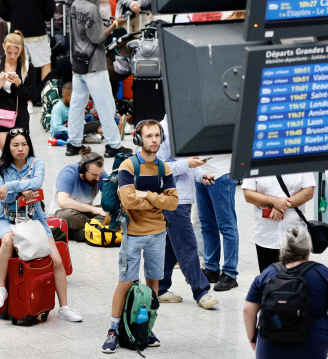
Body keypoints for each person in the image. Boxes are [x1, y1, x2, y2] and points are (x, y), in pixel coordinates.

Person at [0, 128, 83, 322]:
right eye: (15, 145)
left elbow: (36, 183)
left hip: (34, 218)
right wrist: (22, 190)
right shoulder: (0, 168)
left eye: (24, 144)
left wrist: (11, 186)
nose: (21, 149)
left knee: (57, 260)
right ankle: (1, 289)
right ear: (8, 148)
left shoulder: (37, 163)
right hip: (6, 218)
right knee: (7, 240)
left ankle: (64, 307)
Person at [102, 119, 179, 353]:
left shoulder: (164, 168)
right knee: (125, 281)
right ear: (138, 139)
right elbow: (127, 201)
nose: (154, 140)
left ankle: (146, 326)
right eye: (149, 136)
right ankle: (114, 329)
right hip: (133, 235)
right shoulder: (128, 166)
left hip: (158, 234)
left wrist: (145, 194)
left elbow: (173, 203)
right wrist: (157, 201)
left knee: (153, 282)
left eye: (157, 136)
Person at [243, 227, 328, 358]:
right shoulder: (322, 273)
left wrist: (254, 340)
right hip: (311, 346)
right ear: (308, 249)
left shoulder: (268, 273)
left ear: (284, 249)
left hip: (270, 346)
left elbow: (248, 310)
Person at [155, 115, 219, 310]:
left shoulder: (183, 129)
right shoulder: (161, 133)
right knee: (187, 244)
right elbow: (158, 167)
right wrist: (187, 165)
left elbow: (187, 165)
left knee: (170, 245)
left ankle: (159, 287)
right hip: (172, 199)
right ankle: (201, 291)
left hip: (182, 197)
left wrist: (201, 175)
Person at [66, 0, 131, 158]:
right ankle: (113, 145)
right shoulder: (91, 10)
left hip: (78, 62)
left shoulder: (74, 6)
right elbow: (98, 37)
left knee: (78, 104)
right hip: (94, 64)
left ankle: (73, 143)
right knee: (105, 104)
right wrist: (116, 24)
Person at [0, 0, 55, 98]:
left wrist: (14, 18)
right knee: (45, 63)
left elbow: (2, 11)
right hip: (38, 32)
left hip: (16, 32)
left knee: (18, 65)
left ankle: (24, 100)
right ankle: (45, 97)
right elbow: (50, 10)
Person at [242, 172, 316, 273]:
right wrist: (273, 201)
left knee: (296, 282)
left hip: (295, 232)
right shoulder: (254, 160)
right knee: (268, 281)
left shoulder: (301, 158)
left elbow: (308, 191)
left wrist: (282, 206)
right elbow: (248, 194)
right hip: (265, 235)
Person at [195, 153, 240, 291]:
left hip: (221, 173)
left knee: (227, 225)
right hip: (200, 174)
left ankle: (230, 273)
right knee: (207, 225)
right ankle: (211, 269)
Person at [0, 31, 30, 149]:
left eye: (16, 53)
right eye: (9, 52)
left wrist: (19, 84)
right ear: (3, 47)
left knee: (18, 154)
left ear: (21, 50)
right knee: (8, 151)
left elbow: (31, 96)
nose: (12, 57)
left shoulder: (27, 67)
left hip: (19, 117)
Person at [54, 152, 108, 242]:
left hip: (85, 212)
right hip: (64, 212)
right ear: (83, 170)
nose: (98, 178)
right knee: (68, 216)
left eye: (100, 175)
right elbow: (62, 202)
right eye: (94, 175)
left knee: (110, 213)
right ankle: (97, 228)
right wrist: (91, 209)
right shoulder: (68, 173)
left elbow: (111, 193)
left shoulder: (99, 173)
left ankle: (83, 232)